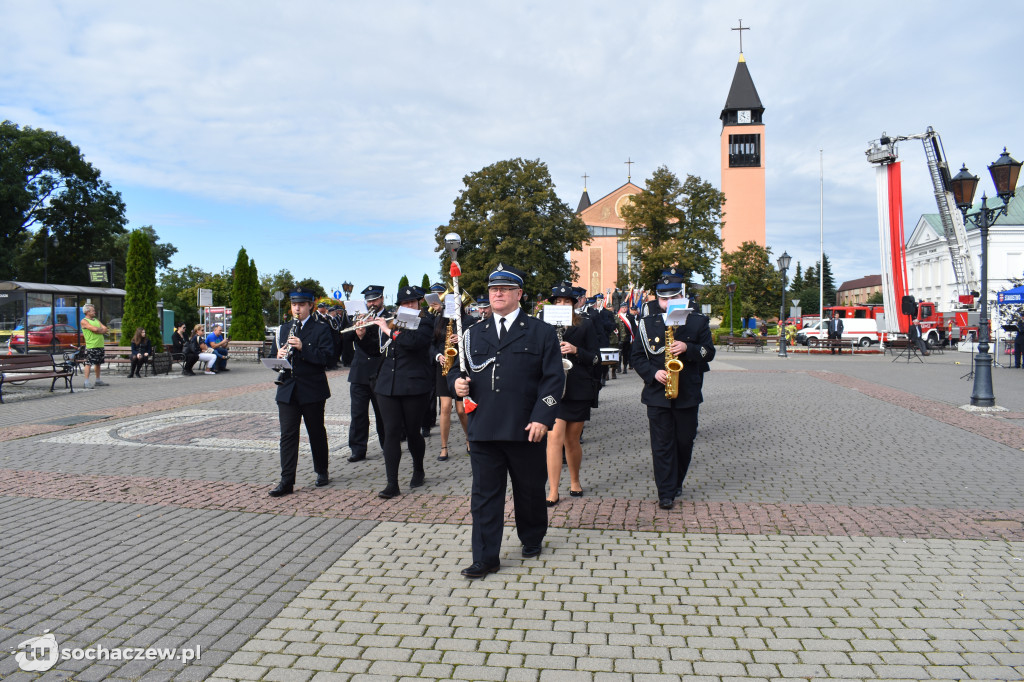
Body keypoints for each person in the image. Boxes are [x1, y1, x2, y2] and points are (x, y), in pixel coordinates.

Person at [452, 263, 563, 579]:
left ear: (519, 294)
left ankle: (532, 537)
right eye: (493, 289)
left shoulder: (540, 332)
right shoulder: (472, 333)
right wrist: (455, 385)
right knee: (485, 497)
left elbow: (553, 379)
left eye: (504, 289)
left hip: (525, 427)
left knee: (529, 491)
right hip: (484, 428)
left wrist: (543, 417)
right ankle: (485, 558)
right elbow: (454, 371)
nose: (497, 293)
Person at [631, 271, 716, 510]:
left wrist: (688, 347)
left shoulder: (698, 321)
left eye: (674, 297)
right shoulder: (647, 324)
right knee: (661, 444)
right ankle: (665, 492)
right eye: (663, 299)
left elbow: (708, 353)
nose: (668, 303)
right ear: (658, 300)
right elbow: (637, 356)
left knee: (684, 442)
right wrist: (652, 373)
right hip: (658, 393)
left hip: (687, 392)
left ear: (683, 296)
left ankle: (677, 480)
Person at [356, 285, 435, 499]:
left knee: (412, 432)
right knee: (391, 433)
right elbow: (377, 350)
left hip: (413, 385)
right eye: (404, 304)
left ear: (419, 303)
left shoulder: (425, 322)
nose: (409, 306)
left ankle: (418, 469)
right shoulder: (395, 321)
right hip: (387, 385)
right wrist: (362, 336)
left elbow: (414, 343)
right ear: (399, 306)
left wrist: (389, 331)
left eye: (412, 303)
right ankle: (392, 483)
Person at [268, 287, 335, 497]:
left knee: (315, 431)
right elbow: (273, 360)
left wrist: (303, 347)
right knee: (288, 435)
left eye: (302, 305)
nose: (297, 308)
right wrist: (278, 357)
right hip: (287, 389)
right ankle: (286, 481)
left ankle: (321, 470)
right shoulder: (283, 328)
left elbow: (327, 359)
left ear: (310, 306)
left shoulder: (321, 329)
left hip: (312, 389)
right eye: (294, 305)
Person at [544, 283, 600, 506]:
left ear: (574, 304)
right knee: (553, 439)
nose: (561, 304)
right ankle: (554, 490)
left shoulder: (586, 324)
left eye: (566, 301)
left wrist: (576, 350)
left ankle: (575, 479)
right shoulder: (544, 325)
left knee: (572, 441)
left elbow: (596, 357)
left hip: (577, 388)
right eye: (557, 301)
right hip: (552, 388)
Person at [345, 286, 387, 463]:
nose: (372, 304)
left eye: (375, 300)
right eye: (369, 301)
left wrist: (364, 337)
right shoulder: (358, 317)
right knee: (358, 414)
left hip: (381, 371)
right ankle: (357, 449)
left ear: (382, 299)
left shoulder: (389, 318)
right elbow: (344, 341)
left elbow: (379, 348)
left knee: (383, 413)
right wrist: (356, 330)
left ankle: (388, 446)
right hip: (359, 373)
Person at [432, 293, 473, 462]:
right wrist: (438, 356)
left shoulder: (468, 320)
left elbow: (474, 341)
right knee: (445, 408)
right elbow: (432, 345)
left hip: (460, 367)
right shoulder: (439, 320)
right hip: (443, 367)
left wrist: (461, 338)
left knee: (462, 410)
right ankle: (444, 447)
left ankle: (470, 439)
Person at [80, 304, 108, 389]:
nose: (94, 312)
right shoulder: (84, 321)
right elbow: (94, 329)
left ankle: (98, 380)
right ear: (87, 312)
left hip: (100, 345)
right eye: (92, 310)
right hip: (91, 346)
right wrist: (99, 330)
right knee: (88, 363)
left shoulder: (96, 320)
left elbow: (105, 329)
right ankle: (86, 381)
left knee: (98, 363)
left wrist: (98, 330)